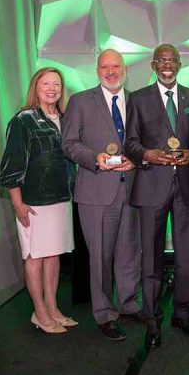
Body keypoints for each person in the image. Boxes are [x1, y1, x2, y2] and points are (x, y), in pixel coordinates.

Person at [125, 44, 189, 348]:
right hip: (150, 187)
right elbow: (129, 141)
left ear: (179, 65)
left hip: (184, 186)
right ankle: (152, 319)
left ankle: (182, 314)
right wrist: (147, 154)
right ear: (154, 65)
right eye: (162, 61)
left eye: (172, 60)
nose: (167, 65)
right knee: (151, 259)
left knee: (185, 257)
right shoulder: (138, 98)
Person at [62, 49, 141, 341]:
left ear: (125, 69)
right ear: (97, 70)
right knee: (100, 257)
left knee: (130, 253)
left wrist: (139, 159)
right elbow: (68, 143)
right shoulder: (80, 101)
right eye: (105, 67)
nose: (111, 71)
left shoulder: (137, 101)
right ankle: (105, 314)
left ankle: (130, 305)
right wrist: (96, 158)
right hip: (96, 192)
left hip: (132, 189)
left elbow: (144, 142)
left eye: (116, 66)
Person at [0, 67, 77, 334]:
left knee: (53, 255)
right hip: (33, 204)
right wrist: (17, 203)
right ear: (36, 86)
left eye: (56, 84)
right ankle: (40, 312)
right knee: (34, 257)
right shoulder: (23, 120)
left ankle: (53, 307)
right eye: (46, 83)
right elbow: (11, 167)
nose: (52, 88)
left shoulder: (66, 118)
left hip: (62, 200)